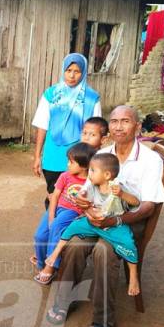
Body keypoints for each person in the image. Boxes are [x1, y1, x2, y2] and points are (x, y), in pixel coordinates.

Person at [46, 105, 164, 327]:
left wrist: (117, 220)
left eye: (125, 121)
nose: (118, 126)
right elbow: (86, 187)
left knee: (103, 251)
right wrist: (83, 202)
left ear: (138, 126)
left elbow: (148, 207)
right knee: (76, 243)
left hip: (129, 221)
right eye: (114, 121)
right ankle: (63, 301)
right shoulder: (102, 153)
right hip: (98, 218)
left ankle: (103, 320)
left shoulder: (150, 160)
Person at [45, 153, 141, 296]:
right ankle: (55, 254)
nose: (89, 174)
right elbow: (83, 197)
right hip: (93, 222)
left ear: (107, 175)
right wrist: (82, 200)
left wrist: (122, 195)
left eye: (92, 170)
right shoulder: (93, 186)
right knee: (72, 227)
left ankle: (133, 276)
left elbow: (136, 202)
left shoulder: (118, 187)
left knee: (128, 243)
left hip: (113, 225)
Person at [31, 117, 108, 284]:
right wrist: (51, 214)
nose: (86, 137)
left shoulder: (96, 172)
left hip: (74, 211)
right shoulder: (66, 175)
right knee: (40, 235)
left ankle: (51, 266)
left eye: (92, 134)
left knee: (57, 226)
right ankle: (41, 257)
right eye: (84, 133)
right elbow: (55, 195)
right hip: (58, 207)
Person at [32, 53, 101, 208]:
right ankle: (52, 226)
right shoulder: (51, 94)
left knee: (74, 196)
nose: (72, 75)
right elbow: (42, 126)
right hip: (52, 155)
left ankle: (64, 228)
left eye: (77, 71)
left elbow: (96, 131)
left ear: (83, 73)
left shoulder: (91, 98)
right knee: (53, 194)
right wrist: (37, 156)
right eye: (68, 70)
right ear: (63, 70)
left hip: (79, 156)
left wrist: (93, 159)